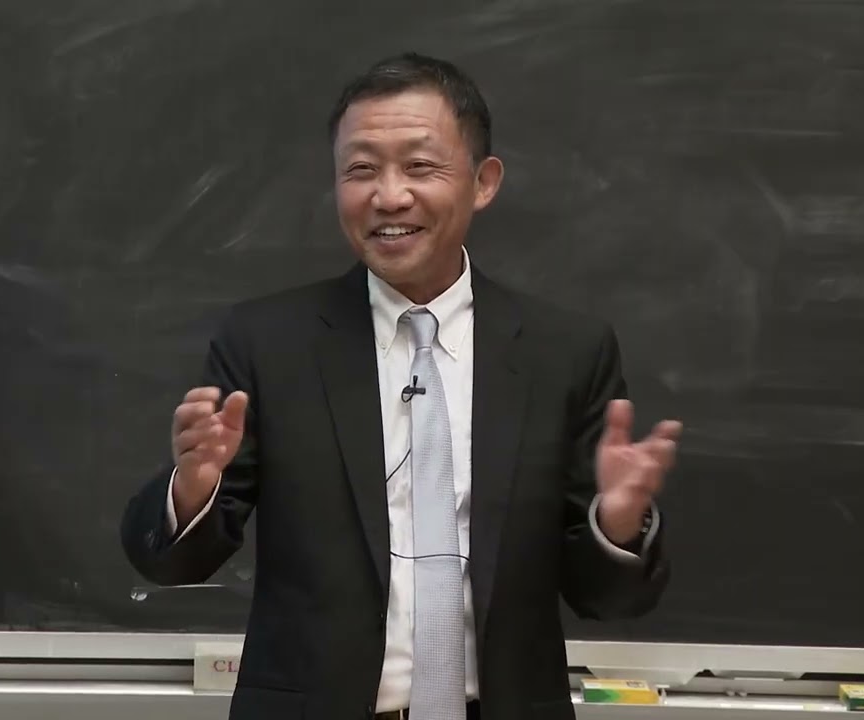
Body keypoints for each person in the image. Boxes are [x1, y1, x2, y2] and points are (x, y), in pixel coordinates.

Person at [121, 52, 680, 720]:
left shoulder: (564, 352)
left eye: (419, 166)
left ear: (483, 182)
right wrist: (192, 491)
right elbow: (172, 565)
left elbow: (609, 599)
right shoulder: (268, 343)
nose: (388, 196)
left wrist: (616, 524)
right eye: (361, 170)